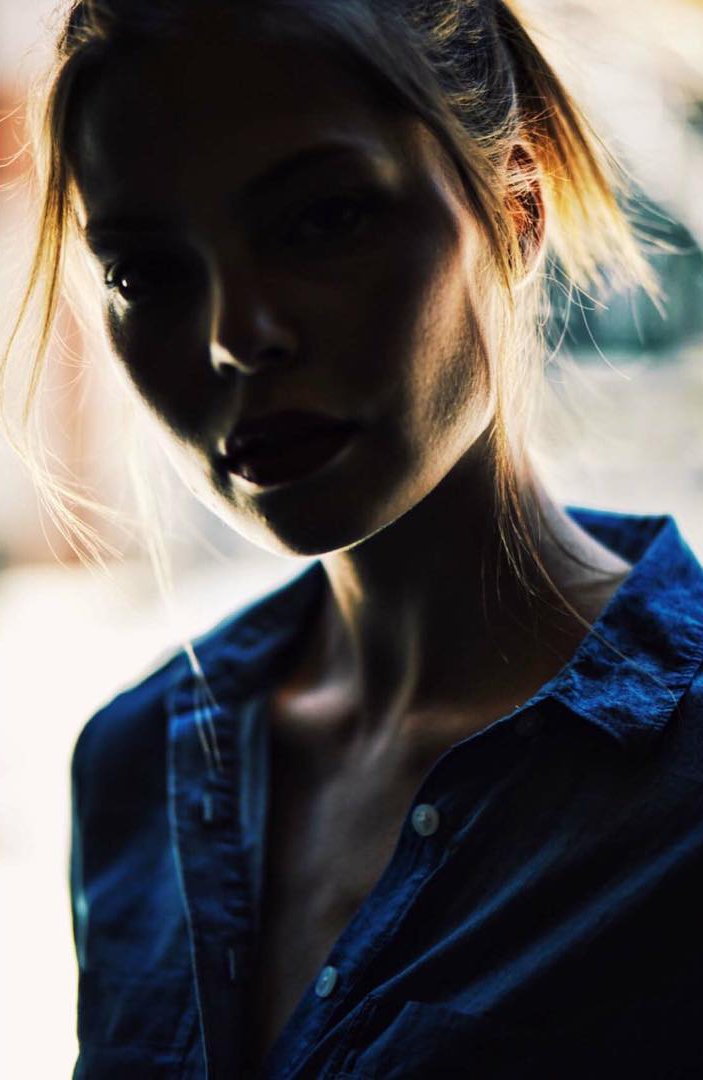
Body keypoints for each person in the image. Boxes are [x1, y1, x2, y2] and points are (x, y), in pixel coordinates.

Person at [4, 0, 703, 1076]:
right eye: (146, 273)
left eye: (320, 221)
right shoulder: (135, 763)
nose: (237, 338)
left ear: (515, 206)